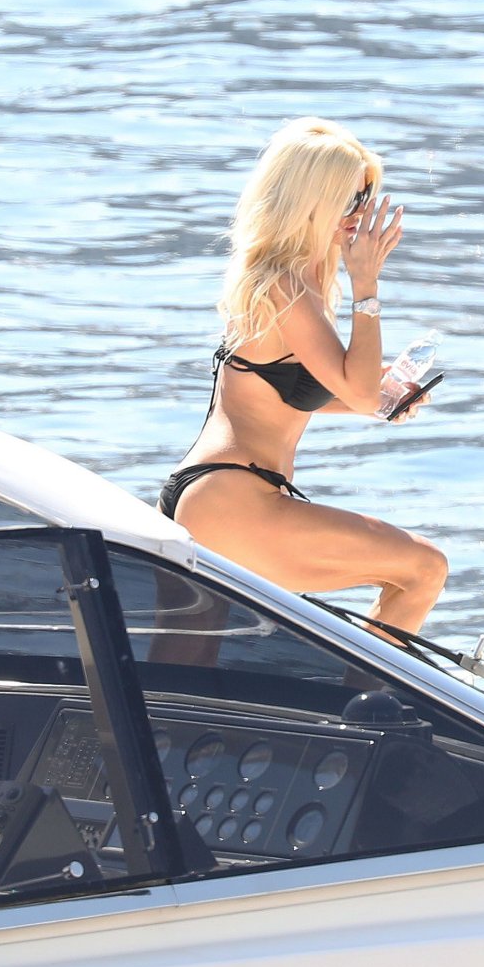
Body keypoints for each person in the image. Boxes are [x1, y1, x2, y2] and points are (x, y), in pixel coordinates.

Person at [159, 117, 447, 635]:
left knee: (189, 665)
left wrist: (379, 397)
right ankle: (362, 691)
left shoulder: (288, 278)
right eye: (350, 199)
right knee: (424, 568)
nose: (360, 213)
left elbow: (294, 392)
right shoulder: (284, 286)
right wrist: (366, 283)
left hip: (215, 496)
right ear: (311, 199)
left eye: (366, 197)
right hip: (233, 499)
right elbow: (360, 391)